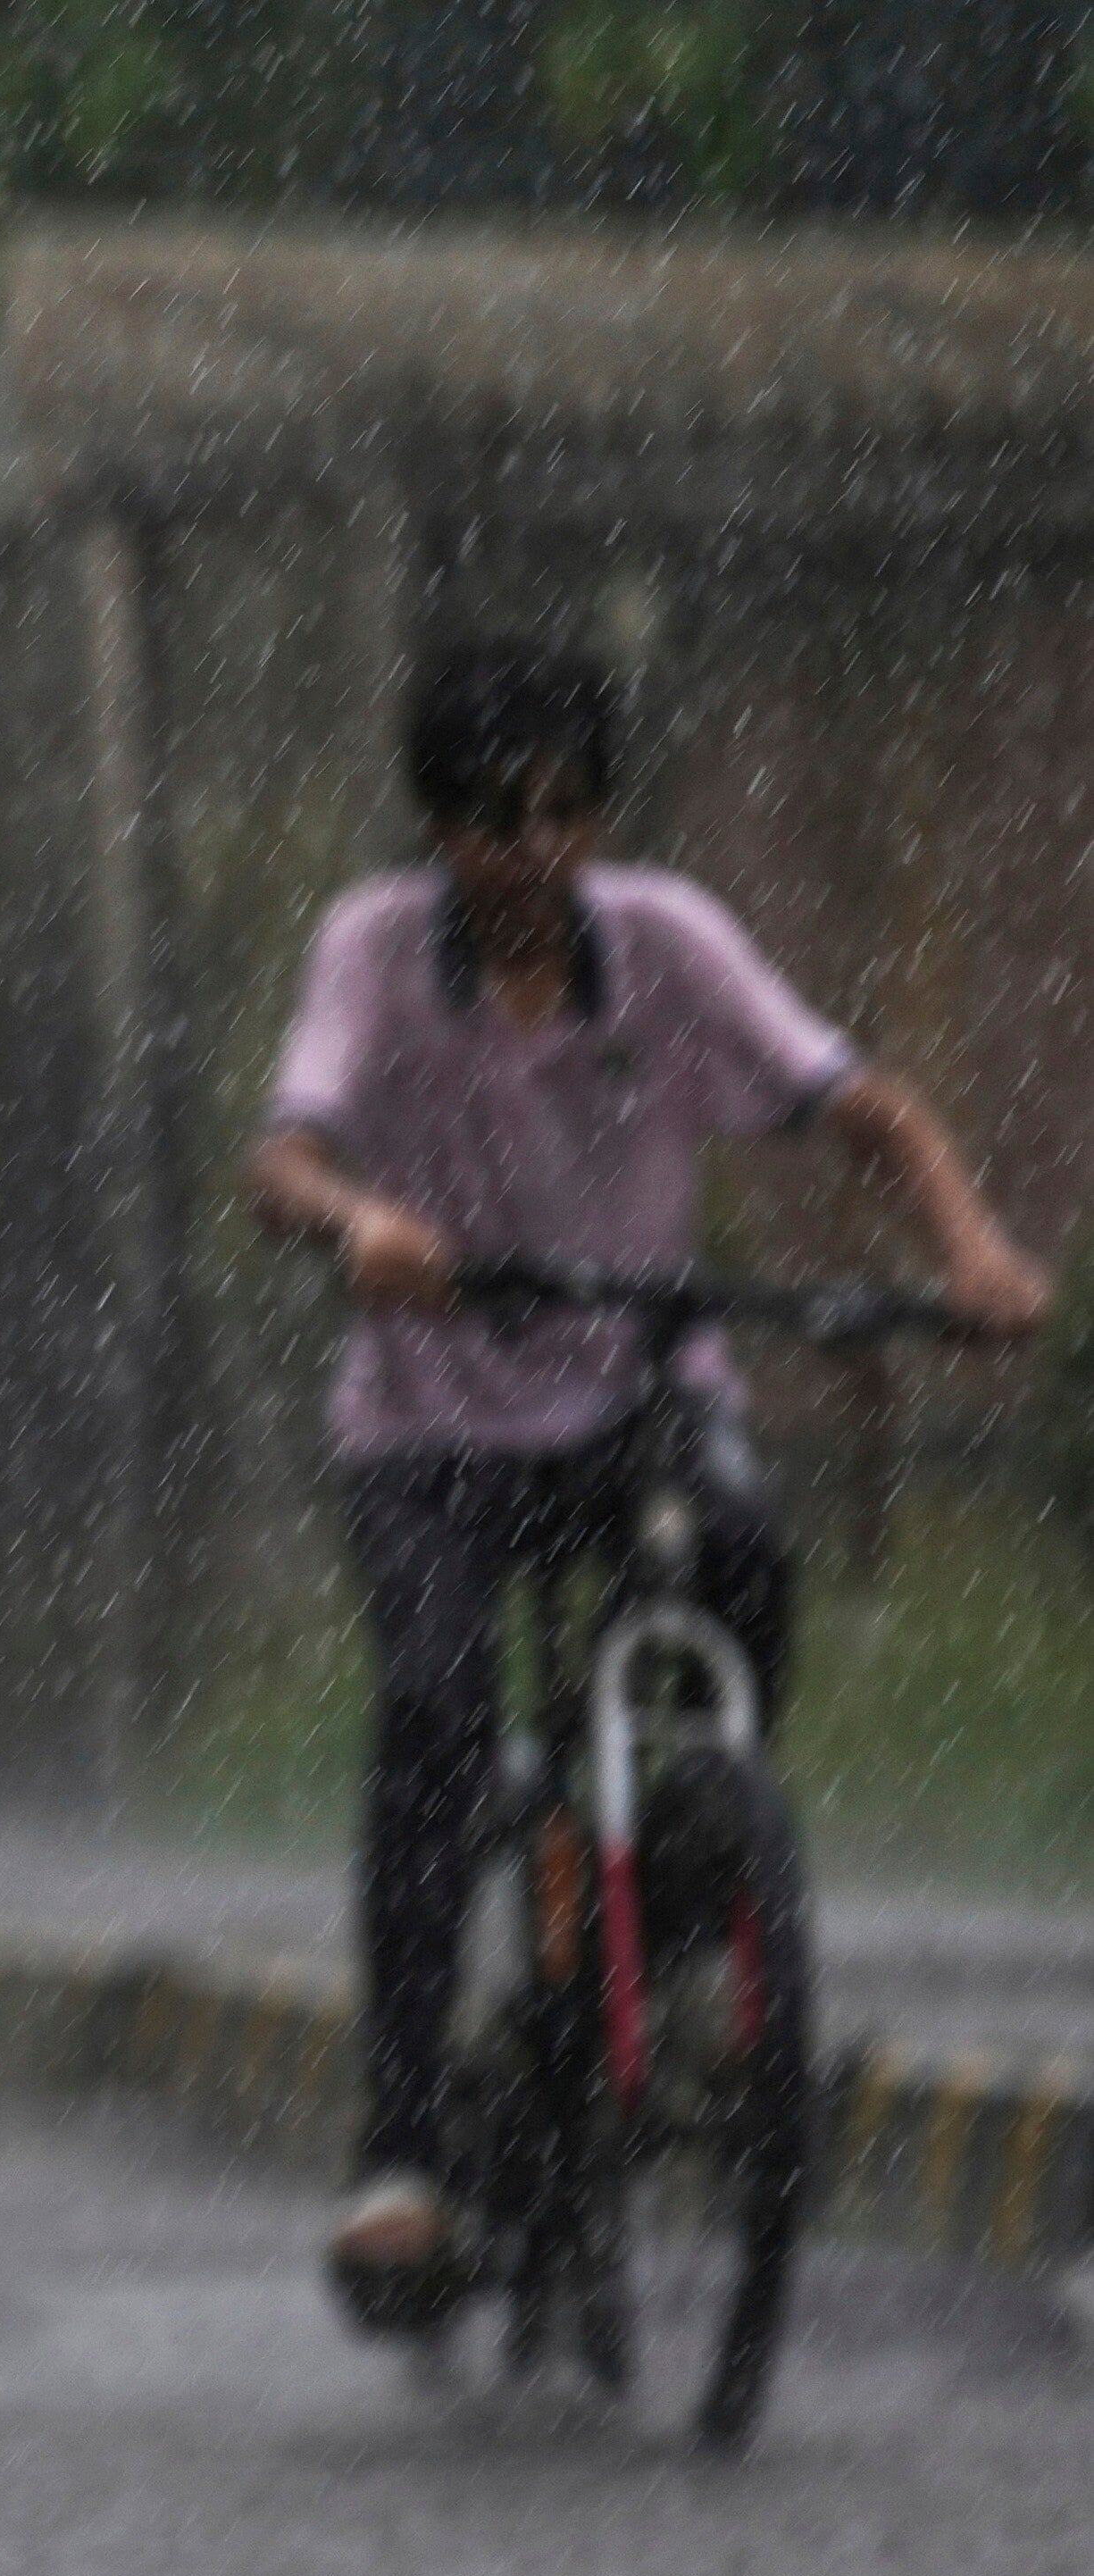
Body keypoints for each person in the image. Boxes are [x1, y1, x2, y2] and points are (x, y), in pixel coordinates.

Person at [242, 641, 1048, 2317]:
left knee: (744, 1565)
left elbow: (862, 1108)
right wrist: (361, 1223)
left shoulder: (669, 946)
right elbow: (286, 1153)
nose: (533, 856)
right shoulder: (371, 955)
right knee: (440, 1707)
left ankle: (684, 1913)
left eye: (563, 814)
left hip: (631, 1396)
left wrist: (971, 1253)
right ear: (436, 829)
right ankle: (398, 2146)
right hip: (430, 1424)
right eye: (490, 822)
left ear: (600, 813)